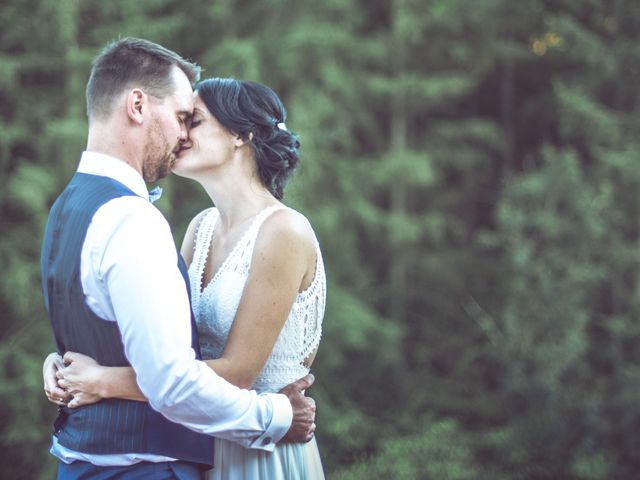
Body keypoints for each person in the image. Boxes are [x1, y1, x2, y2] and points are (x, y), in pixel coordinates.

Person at [40, 38, 316, 480]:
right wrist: (67, 363)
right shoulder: (195, 227)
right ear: (137, 106)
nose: (183, 133)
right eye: (182, 117)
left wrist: (99, 380)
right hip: (217, 432)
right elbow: (156, 347)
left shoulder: (283, 231)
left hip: (254, 449)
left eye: (194, 120)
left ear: (242, 136)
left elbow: (210, 372)